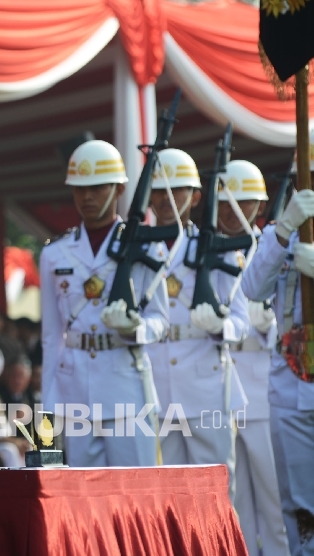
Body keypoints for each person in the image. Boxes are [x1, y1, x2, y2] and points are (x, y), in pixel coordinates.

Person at [40, 139, 168, 467]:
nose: (88, 197)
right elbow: (51, 337)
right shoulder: (55, 253)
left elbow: (160, 320)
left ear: (120, 189)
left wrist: (137, 328)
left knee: (136, 498)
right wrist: (49, 406)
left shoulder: (145, 247)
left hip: (127, 385)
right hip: (75, 390)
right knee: (87, 502)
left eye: (97, 187)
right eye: (80, 188)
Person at [146, 148, 248, 497]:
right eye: (159, 191)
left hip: (206, 384)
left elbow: (241, 321)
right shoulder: (135, 249)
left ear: (196, 197)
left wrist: (220, 327)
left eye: (177, 191)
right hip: (154, 386)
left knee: (216, 491)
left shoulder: (217, 248)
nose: (166, 199)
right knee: (163, 494)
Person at [242, 164, 314, 555]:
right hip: (291, 384)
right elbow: (253, 289)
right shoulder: (280, 234)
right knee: (298, 508)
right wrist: (284, 229)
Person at [219, 160, 289, 555]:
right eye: (225, 203)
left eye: (242, 202)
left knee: (275, 502)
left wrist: (269, 323)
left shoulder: (271, 247)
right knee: (235, 504)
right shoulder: (205, 249)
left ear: (259, 206)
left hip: (262, 389)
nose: (232, 211)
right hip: (222, 388)